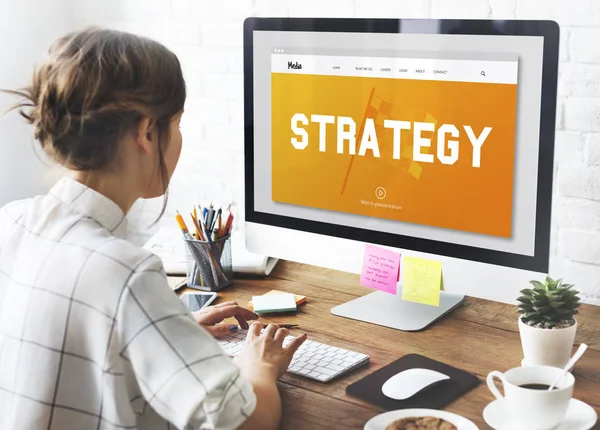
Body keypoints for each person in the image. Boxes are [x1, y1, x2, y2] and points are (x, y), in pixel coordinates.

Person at [0, 27, 306, 430]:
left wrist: (165, 330)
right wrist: (259, 366)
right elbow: (247, 422)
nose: (178, 139)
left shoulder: (11, 221)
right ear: (146, 132)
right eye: (176, 124)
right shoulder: (126, 273)